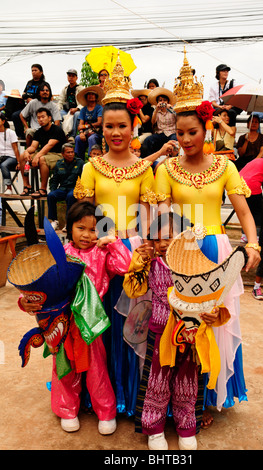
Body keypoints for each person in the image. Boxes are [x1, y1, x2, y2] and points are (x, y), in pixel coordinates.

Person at [155, 52, 261, 416]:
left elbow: (244, 211)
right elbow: (158, 216)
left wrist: (253, 243)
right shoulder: (166, 168)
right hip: (178, 252)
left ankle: (213, 393)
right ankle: (183, 398)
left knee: (216, 319)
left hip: (216, 249)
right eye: (180, 133)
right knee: (180, 322)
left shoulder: (224, 165)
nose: (185, 139)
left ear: (206, 129)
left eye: (192, 132)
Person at [73, 55, 155, 416]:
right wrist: (97, 243)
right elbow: (85, 214)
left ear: (133, 127)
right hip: (100, 250)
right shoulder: (92, 167)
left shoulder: (142, 168)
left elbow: (150, 215)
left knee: (133, 323)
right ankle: (102, 395)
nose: (116, 132)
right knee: (100, 321)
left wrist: (148, 250)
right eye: (109, 126)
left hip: (134, 250)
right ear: (100, 128)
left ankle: (131, 394)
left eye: (122, 125)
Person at [19, 200, 133, 434]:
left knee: (97, 368)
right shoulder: (60, 254)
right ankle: (67, 409)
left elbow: (125, 265)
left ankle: (106, 411)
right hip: (62, 321)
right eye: (81, 228)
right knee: (64, 367)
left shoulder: (102, 253)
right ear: (69, 228)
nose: (87, 234)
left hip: (91, 321)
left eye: (93, 229)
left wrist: (112, 241)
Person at [123, 212, 226, 450]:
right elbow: (133, 290)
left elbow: (214, 299)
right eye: (157, 239)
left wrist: (214, 315)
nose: (163, 244)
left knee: (187, 382)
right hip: (160, 333)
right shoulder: (151, 264)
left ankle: (187, 427)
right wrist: (138, 263)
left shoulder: (198, 265)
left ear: (186, 237)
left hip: (192, 335)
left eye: (169, 237)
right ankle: (154, 430)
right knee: (156, 382)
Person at [18, 107, 66, 198]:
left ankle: (43, 189)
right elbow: (33, 147)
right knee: (22, 156)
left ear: (49, 118)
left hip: (58, 155)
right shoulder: (39, 132)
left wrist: (37, 157)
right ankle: (27, 186)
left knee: (42, 159)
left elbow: (49, 145)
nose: (41, 119)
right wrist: (26, 152)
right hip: (44, 153)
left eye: (43, 117)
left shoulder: (57, 130)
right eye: (39, 117)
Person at [47, 143, 84, 230]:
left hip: (74, 188)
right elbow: (54, 179)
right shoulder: (59, 164)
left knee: (70, 196)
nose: (71, 154)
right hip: (63, 188)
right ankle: (54, 221)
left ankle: (68, 223)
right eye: (68, 152)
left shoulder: (80, 163)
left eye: (72, 152)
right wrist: (53, 190)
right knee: (51, 195)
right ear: (63, 154)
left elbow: (84, 179)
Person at [20, 82, 61, 147]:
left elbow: (57, 121)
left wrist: (54, 131)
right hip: (35, 129)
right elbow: (22, 115)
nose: (45, 92)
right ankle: (29, 153)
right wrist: (26, 127)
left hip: (49, 129)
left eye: (47, 90)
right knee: (29, 132)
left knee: (64, 133)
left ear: (50, 92)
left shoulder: (54, 105)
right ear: (39, 93)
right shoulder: (33, 103)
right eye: (42, 90)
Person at [12, 64, 46, 139]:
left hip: (38, 109)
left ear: (41, 72)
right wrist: (28, 97)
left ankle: (35, 137)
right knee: (15, 115)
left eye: (35, 70)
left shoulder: (44, 84)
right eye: (32, 70)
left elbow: (44, 97)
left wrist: (32, 99)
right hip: (27, 107)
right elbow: (23, 94)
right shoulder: (29, 83)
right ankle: (21, 136)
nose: (33, 72)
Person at [142, 87, 177, 158]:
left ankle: (173, 159)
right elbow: (153, 122)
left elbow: (178, 118)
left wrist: (171, 108)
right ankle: (148, 160)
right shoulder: (157, 112)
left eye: (164, 100)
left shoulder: (171, 110)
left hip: (172, 133)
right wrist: (156, 109)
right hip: (160, 134)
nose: (162, 102)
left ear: (168, 102)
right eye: (160, 100)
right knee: (148, 140)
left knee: (174, 141)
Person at [74, 86, 104, 161]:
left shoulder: (99, 108)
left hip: (97, 132)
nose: (91, 96)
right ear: (86, 97)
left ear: (96, 97)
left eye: (93, 94)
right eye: (89, 94)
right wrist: (81, 133)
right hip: (86, 132)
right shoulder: (83, 110)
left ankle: (92, 160)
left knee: (92, 138)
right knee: (78, 138)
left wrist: (85, 127)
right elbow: (79, 126)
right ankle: (79, 161)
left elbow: (99, 123)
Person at [57, 69, 84, 140]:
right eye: (69, 76)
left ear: (76, 78)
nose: (71, 78)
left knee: (77, 114)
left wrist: (77, 108)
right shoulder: (65, 89)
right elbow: (61, 100)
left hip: (77, 110)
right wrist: (58, 109)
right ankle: (62, 135)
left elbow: (84, 102)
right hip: (67, 110)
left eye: (73, 76)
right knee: (58, 115)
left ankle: (72, 136)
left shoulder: (80, 88)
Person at [0, 112, 20, 195]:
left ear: (3, 121)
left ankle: (9, 188)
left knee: (4, 165)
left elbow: (15, 148)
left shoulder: (10, 132)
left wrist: (19, 162)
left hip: (11, 157)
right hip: (1, 156)